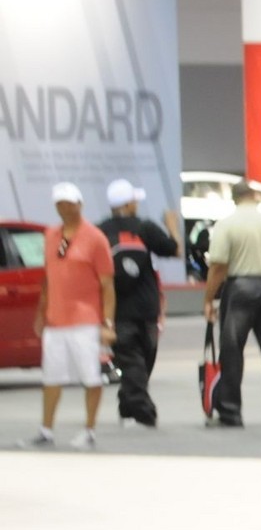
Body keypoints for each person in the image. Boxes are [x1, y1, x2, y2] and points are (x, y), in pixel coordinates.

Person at [201, 182, 261, 428]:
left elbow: (218, 266)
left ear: (234, 200)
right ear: (254, 198)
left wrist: (208, 300)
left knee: (232, 349)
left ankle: (231, 411)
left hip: (241, 287)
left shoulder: (227, 225)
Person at [24, 183, 114, 450]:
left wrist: (107, 322)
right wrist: (42, 312)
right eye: (60, 204)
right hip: (55, 320)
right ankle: (46, 429)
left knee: (90, 377)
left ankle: (89, 430)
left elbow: (107, 285)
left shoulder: (95, 238)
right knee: (51, 377)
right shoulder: (51, 236)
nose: (64, 208)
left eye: (69, 203)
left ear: (80, 204)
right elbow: (48, 279)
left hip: (85, 320)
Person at [96, 179, 178, 429]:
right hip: (146, 308)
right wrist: (172, 226)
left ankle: (127, 406)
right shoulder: (145, 228)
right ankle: (144, 412)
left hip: (117, 308)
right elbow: (173, 249)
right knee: (140, 360)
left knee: (133, 361)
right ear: (129, 203)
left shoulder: (99, 231)